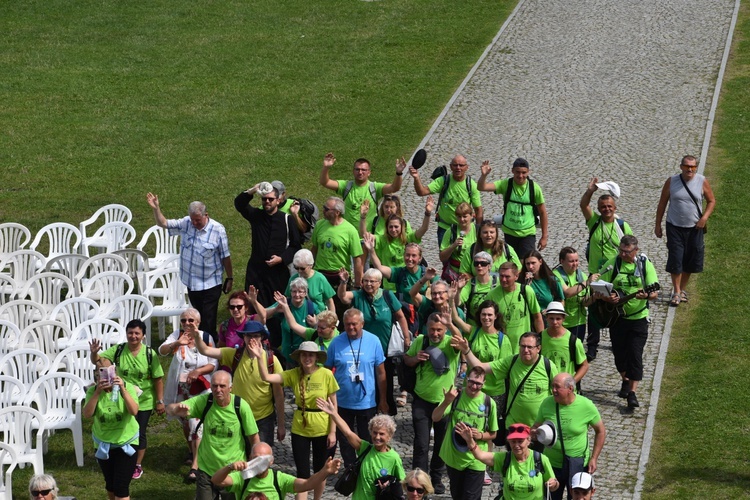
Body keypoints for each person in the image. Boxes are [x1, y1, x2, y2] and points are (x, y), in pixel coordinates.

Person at [251, 341, 339, 500]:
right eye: (304, 354)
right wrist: (259, 357)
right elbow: (267, 377)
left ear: (316, 357)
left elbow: (334, 404)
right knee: (302, 472)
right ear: (299, 357)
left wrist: (333, 431)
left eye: (311, 355)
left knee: (321, 470)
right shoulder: (293, 374)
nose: (307, 358)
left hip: (322, 427)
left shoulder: (326, 374)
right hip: (300, 429)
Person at [146, 194, 233, 341]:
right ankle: (198, 348)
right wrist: (156, 209)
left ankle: (210, 351)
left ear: (206, 215)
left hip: (211, 283)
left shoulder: (218, 230)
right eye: (192, 219)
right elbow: (164, 223)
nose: (194, 223)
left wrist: (230, 277)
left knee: (208, 320)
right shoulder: (186, 223)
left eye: (197, 220)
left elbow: (225, 256)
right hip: (192, 283)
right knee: (197, 319)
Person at [166, 370, 260, 500]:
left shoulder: (241, 406)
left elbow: (254, 438)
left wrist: (254, 464)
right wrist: (176, 409)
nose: (218, 390)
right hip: (206, 469)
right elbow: (169, 408)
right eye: (215, 386)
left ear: (230, 388)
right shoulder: (206, 401)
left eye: (222, 386)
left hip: (232, 473)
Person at [89, 319, 164, 481]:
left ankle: (136, 464)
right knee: (123, 428)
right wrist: (94, 353)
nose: (133, 336)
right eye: (130, 332)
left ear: (143, 335)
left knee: (140, 432)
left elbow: (158, 379)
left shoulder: (150, 354)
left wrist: (159, 401)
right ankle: (120, 459)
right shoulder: (119, 350)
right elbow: (100, 362)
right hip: (122, 397)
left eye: (137, 333)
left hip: (144, 401)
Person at [192, 321, 285, 446]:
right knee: (238, 457)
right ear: (243, 337)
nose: (252, 339)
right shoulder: (235, 354)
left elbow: (279, 394)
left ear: (262, 337)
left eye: (256, 336)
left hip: (263, 418)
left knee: (260, 457)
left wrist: (281, 425)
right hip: (237, 415)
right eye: (248, 336)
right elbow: (205, 350)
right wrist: (197, 336)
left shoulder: (271, 359)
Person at [595, 235, 659, 409]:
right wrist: (608, 298)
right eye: (621, 251)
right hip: (618, 319)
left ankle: (632, 393)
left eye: (627, 252)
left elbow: (654, 293)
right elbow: (599, 287)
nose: (623, 254)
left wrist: (646, 295)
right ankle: (625, 379)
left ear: (635, 250)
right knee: (619, 355)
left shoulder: (645, 265)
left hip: (639, 318)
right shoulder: (613, 263)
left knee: (635, 355)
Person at [337, 267, 409, 415]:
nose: (368, 284)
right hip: (363, 350)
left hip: (385, 349)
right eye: (366, 281)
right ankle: (367, 410)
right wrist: (344, 282)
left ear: (379, 283)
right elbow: (343, 297)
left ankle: (385, 412)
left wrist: (406, 337)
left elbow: (401, 316)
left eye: (372, 281)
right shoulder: (358, 296)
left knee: (385, 382)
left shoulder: (388, 296)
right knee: (367, 382)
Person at [403, 312, 461, 494]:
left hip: (445, 402)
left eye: (439, 330)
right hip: (421, 400)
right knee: (421, 443)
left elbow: (461, 340)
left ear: (444, 330)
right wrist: (415, 358)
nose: (435, 334)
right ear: (426, 328)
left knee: (441, 445)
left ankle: (436, 478)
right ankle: (420, 481)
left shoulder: (450, 342)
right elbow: (407, 359)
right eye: (432, 330)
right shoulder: (421, 340)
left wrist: (451, 324)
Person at [159, 308, 219, 481]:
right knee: (185, 423)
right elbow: (162, 351)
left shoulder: (206, 337)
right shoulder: (177, 335)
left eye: (191, 320)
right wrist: (178, 343)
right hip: (181, 388)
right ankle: (193, 451)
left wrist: (198, 371)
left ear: (198, 323)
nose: (187, 324)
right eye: (184, 320)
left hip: (200, 388)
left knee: (195, 424)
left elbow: (213, 364)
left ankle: (195, 466)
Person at [323, 308, 388, 466]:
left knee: (368, 438)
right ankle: (350, 469)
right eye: (347, 325)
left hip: (367, 402)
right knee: (345, 440)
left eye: (354, 324)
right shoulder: (336, 343)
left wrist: (383, 399)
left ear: (362, 324)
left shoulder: (373, 341)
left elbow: (381, 373)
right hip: (342, 402)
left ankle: (367, 467)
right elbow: (326, 372)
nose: (350, 328)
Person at [455, 332, 558, 428]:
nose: (525, 350)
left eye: (529, 347)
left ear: (538, 348)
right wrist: (466, 350)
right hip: (514, 425)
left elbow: (558, 392)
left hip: (539, 426)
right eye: (522, 346)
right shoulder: (511, 361)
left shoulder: (548, 366)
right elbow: (481, 367)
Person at [579, 179, 633, 360]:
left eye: (609, 206)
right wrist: (590, 191)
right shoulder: (593, 222)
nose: (606, 209)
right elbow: (583, 204)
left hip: (615, 275)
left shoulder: (622, 226)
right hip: (596, 274)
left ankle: (616, 341)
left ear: (615, 207)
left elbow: (631, 248)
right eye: (603, 207)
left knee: (614, 308)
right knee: (594, 310)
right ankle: (592, 346)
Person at [654, 154, 716, 306]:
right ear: (681, 167)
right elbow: (662, 204)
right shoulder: (672, 181)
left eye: (693, 166)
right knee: (676, 259)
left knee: (690, 260)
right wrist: (658, 225)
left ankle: (681, 290)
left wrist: (704, 218)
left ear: (696, 167)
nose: (690, 169)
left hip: (695, 228)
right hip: (674, 226)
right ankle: (676, 292)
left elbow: (711, 201)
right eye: (687, 166)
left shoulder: (702, 181)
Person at [533, 374, 605, 500]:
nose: (553, 390)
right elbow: (536, 426)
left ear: (570, 389)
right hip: (551, 464)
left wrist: (594, 458)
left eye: (557, 387)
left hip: (577, 463)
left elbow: (600, 431)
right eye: (552, 386)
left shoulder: (586, 405)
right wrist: (534, 433)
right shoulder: (547, 403)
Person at [317, 398, 405, 500]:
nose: (377, 437)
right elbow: (347, 432)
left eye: (382, 434)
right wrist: (333, 413)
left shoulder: (394, 458)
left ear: (389, 436)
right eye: (374, 432)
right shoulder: (365, 448)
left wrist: (389, 486)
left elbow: (402, 482)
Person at [432, 367, 498, 500]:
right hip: (454, 457)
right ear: (466, 379)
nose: (474, 386)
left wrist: (479, 435)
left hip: (476, 458)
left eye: (478, 383)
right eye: (471, 382)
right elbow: (435, 417)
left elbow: (493, 434)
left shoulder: (489, 403)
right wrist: (447, 401)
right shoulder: (455, 396)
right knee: (457, 495)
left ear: (484, 383)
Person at [234, 182, 302, 306]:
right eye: (264, 199)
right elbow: (239, 204)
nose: (267, 202)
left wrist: (281, 259)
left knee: (277, 305)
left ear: (278, 200)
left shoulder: (287, 219)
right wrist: (253, 190)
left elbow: (296, 245)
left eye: (271, 199)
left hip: (278, 272)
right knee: (253, 305)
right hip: (256, 271)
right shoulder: (256, 216)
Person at [83, 363, 140, 500]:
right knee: (111, 485)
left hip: (126, 443)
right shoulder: (92, 391)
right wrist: (97, 392)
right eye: (101, 373)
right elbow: (87, 414)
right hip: (104, 444)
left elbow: (134, 411)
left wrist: (122, 389)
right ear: (97, 375)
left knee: (121, 487)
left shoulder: (127, 387)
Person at [457, 422, 559, 499]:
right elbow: (480, 455)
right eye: (513, 442)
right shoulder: (504, 458)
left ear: (528, 440)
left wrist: (553, 484)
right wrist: (469, 441)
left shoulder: (541, 459)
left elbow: (554, 485)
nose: (516, 445)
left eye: (520, 441)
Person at [211, 442, 342, 500]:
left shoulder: (279, 479)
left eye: (263, 459)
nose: (259, 462)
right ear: (250, 458)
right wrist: (229, 467)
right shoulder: (242, 477)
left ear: (271, 461)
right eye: (256, 458)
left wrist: (325, 471)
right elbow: (216, 480)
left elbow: (307, 484)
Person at [477, 158, 548, 257]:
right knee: (511, 265)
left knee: (526, 264)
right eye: (517, 172)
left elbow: (543, 212)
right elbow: (481, 187)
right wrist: (484, 175)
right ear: (512, 171)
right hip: (509, 233)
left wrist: (544, 236)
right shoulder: (506, 184)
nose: (520, 176)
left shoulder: (534, 188)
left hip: (527, 233)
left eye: (524, 172)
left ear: (528, 172)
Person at [310, 196, 365, 319]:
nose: (323, 210)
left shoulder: (350, 230)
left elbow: (357, 259)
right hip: (320, 275)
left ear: (337, 212)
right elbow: (314, 248)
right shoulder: (319, 225)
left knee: (339, 312)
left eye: (326, 208)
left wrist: (357, 283)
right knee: (319, 311)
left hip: (339, 277)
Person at [409, 154, 483, 245]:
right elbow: (422, 192)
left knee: (465, 257)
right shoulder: (443, 181)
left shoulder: (471, 185)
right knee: (444, 257)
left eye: (461, 165)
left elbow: (478, 210)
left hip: (465, 229)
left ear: (466, 167)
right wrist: (416, 178)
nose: (458, 168)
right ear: (450, 167)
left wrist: (478, 229)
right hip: (444, 228)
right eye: (455, 165)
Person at [320, 152, 405, 230]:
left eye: (363, 170)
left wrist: (399, 173)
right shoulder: (346, 186)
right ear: (353, 171)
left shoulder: (375, 187)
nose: (360, 172)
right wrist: (326, 167)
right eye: (357, 169)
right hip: (347, 233)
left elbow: (394, 188)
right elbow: (325, 182)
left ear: (369, 172)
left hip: (367, 236)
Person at [361, 196, 432, 273]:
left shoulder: (407, 237)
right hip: (384, 272)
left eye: (396, 227)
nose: (393, 230)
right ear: (387, 228)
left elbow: (423, 229)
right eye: (390, 227)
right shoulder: (382, 238)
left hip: (403, 276)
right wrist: (363, 217)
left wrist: (427, 213)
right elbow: (365, 236)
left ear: (402, 227)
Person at [485, 262, 544, 353]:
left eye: (507, 277)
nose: (503, 279)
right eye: (501, 276)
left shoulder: (526, 291)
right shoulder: (492, 295)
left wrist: (541, 341)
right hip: (501, 348)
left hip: (524, 348)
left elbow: (537, 317)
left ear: (516, 276)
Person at [264, 281, 322, 367]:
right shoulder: (284, 304)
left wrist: (315, 324)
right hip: (287, 355)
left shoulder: (312, 307)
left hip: (307, 355)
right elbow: (263, 314)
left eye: (300, 292)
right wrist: (275, 309)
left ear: (306, 293)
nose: (297, 295)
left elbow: (323, 328)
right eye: (294, 291)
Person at [552, 248, 598, 346]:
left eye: (576, 261)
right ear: (561, 261)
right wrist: (587, 282)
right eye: (571, 261)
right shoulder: (556, 275)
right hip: (561, 323)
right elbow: (567, 293)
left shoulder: (581, 275)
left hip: (578, 322)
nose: (575, 264)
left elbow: (584, 302)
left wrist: (595, 297)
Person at [540, 303, 588, 386]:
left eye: (558, 319)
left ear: (563, 319)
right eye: (551, 318)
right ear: (546, 318)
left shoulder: (573, 341)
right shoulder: (539, 338)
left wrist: (572, 382)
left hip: (565, 389)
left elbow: (584, 365)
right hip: (544, 386)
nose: (554, 322)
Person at [455, 252, 500, 326]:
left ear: (489, 266)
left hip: (493, 324)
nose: (479, 266)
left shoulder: (498, 282)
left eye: (483, 263)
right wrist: (459, 290)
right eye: (476, 263)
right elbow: (458, 303)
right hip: (473, 324)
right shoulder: (471, 283)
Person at [285, 249, 336, 313]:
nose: (299, 271)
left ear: (311, 265)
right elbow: (288, 298)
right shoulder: (293, 278)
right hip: (299, 316)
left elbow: (329, 301)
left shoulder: (320, 278)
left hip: (319, 317)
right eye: (296, 268)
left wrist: (332, 319)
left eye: (302, 268)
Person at [438, 202, 477, 282]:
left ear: (472, 215)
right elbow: (442, 257)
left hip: (473, 271)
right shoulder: (451, 231)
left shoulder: (477, 230)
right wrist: (453, 246)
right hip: (455, 273)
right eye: (459, 217)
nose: (462, 220)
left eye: (465, 216)